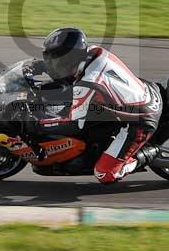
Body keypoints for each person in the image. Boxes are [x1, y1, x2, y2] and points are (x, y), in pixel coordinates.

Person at [31, 27, 161, 183]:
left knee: (104, 174)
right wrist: (38, 67)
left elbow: (74, 123)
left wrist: (39, 123)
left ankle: (148, 153)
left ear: (69, 59)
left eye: (55, 60)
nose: (51, 64)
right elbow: (67, 80)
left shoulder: (88, 83)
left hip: (139, 120)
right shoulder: (92, 52)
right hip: (139, 94)